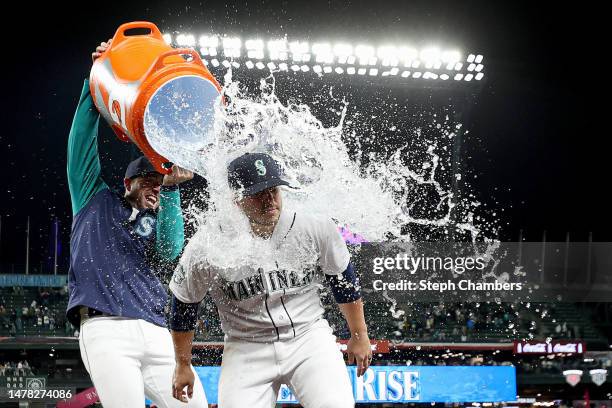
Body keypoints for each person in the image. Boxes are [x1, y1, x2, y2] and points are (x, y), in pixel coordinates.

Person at [66, 39, 207, 407]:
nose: (154, 188)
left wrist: (172, 190)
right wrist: (95, 83)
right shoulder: (94, 201)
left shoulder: (157, 217)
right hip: (105, 327)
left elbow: (171, 250)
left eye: (158, 183)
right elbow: (80, 146)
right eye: (147, 181)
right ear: (128, 182)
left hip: (157, 328)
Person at [169, 152, 371, 407]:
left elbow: (343, 280)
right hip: (246, 347)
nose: (269, 199)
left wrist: (359, 334)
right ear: (236, 199)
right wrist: (183, 364)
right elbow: (184, 304)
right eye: (258, 193)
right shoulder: (210, 241)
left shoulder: (313, 223)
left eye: (273, 189)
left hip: (308, 338)